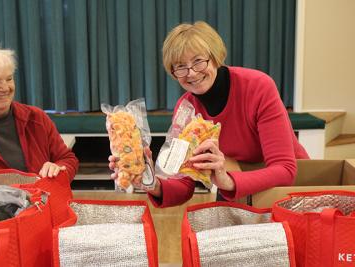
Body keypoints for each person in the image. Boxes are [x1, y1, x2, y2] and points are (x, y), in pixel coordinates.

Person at [109, 21, 309, 207]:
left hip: (287, 189)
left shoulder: (258, 87)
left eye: (198, 61)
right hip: (234, 184)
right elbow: (184, 185)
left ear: (214, 57)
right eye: (181, 67)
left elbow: (285, 170)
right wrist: (150, 181)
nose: (192, 73)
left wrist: (227, 180)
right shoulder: (185, 110)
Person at [0, 46, 78, 183]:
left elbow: (68, 159)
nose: (5, 88)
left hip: (40, 204)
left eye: (8, 79)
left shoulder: (36, 118)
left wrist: (58, 168)